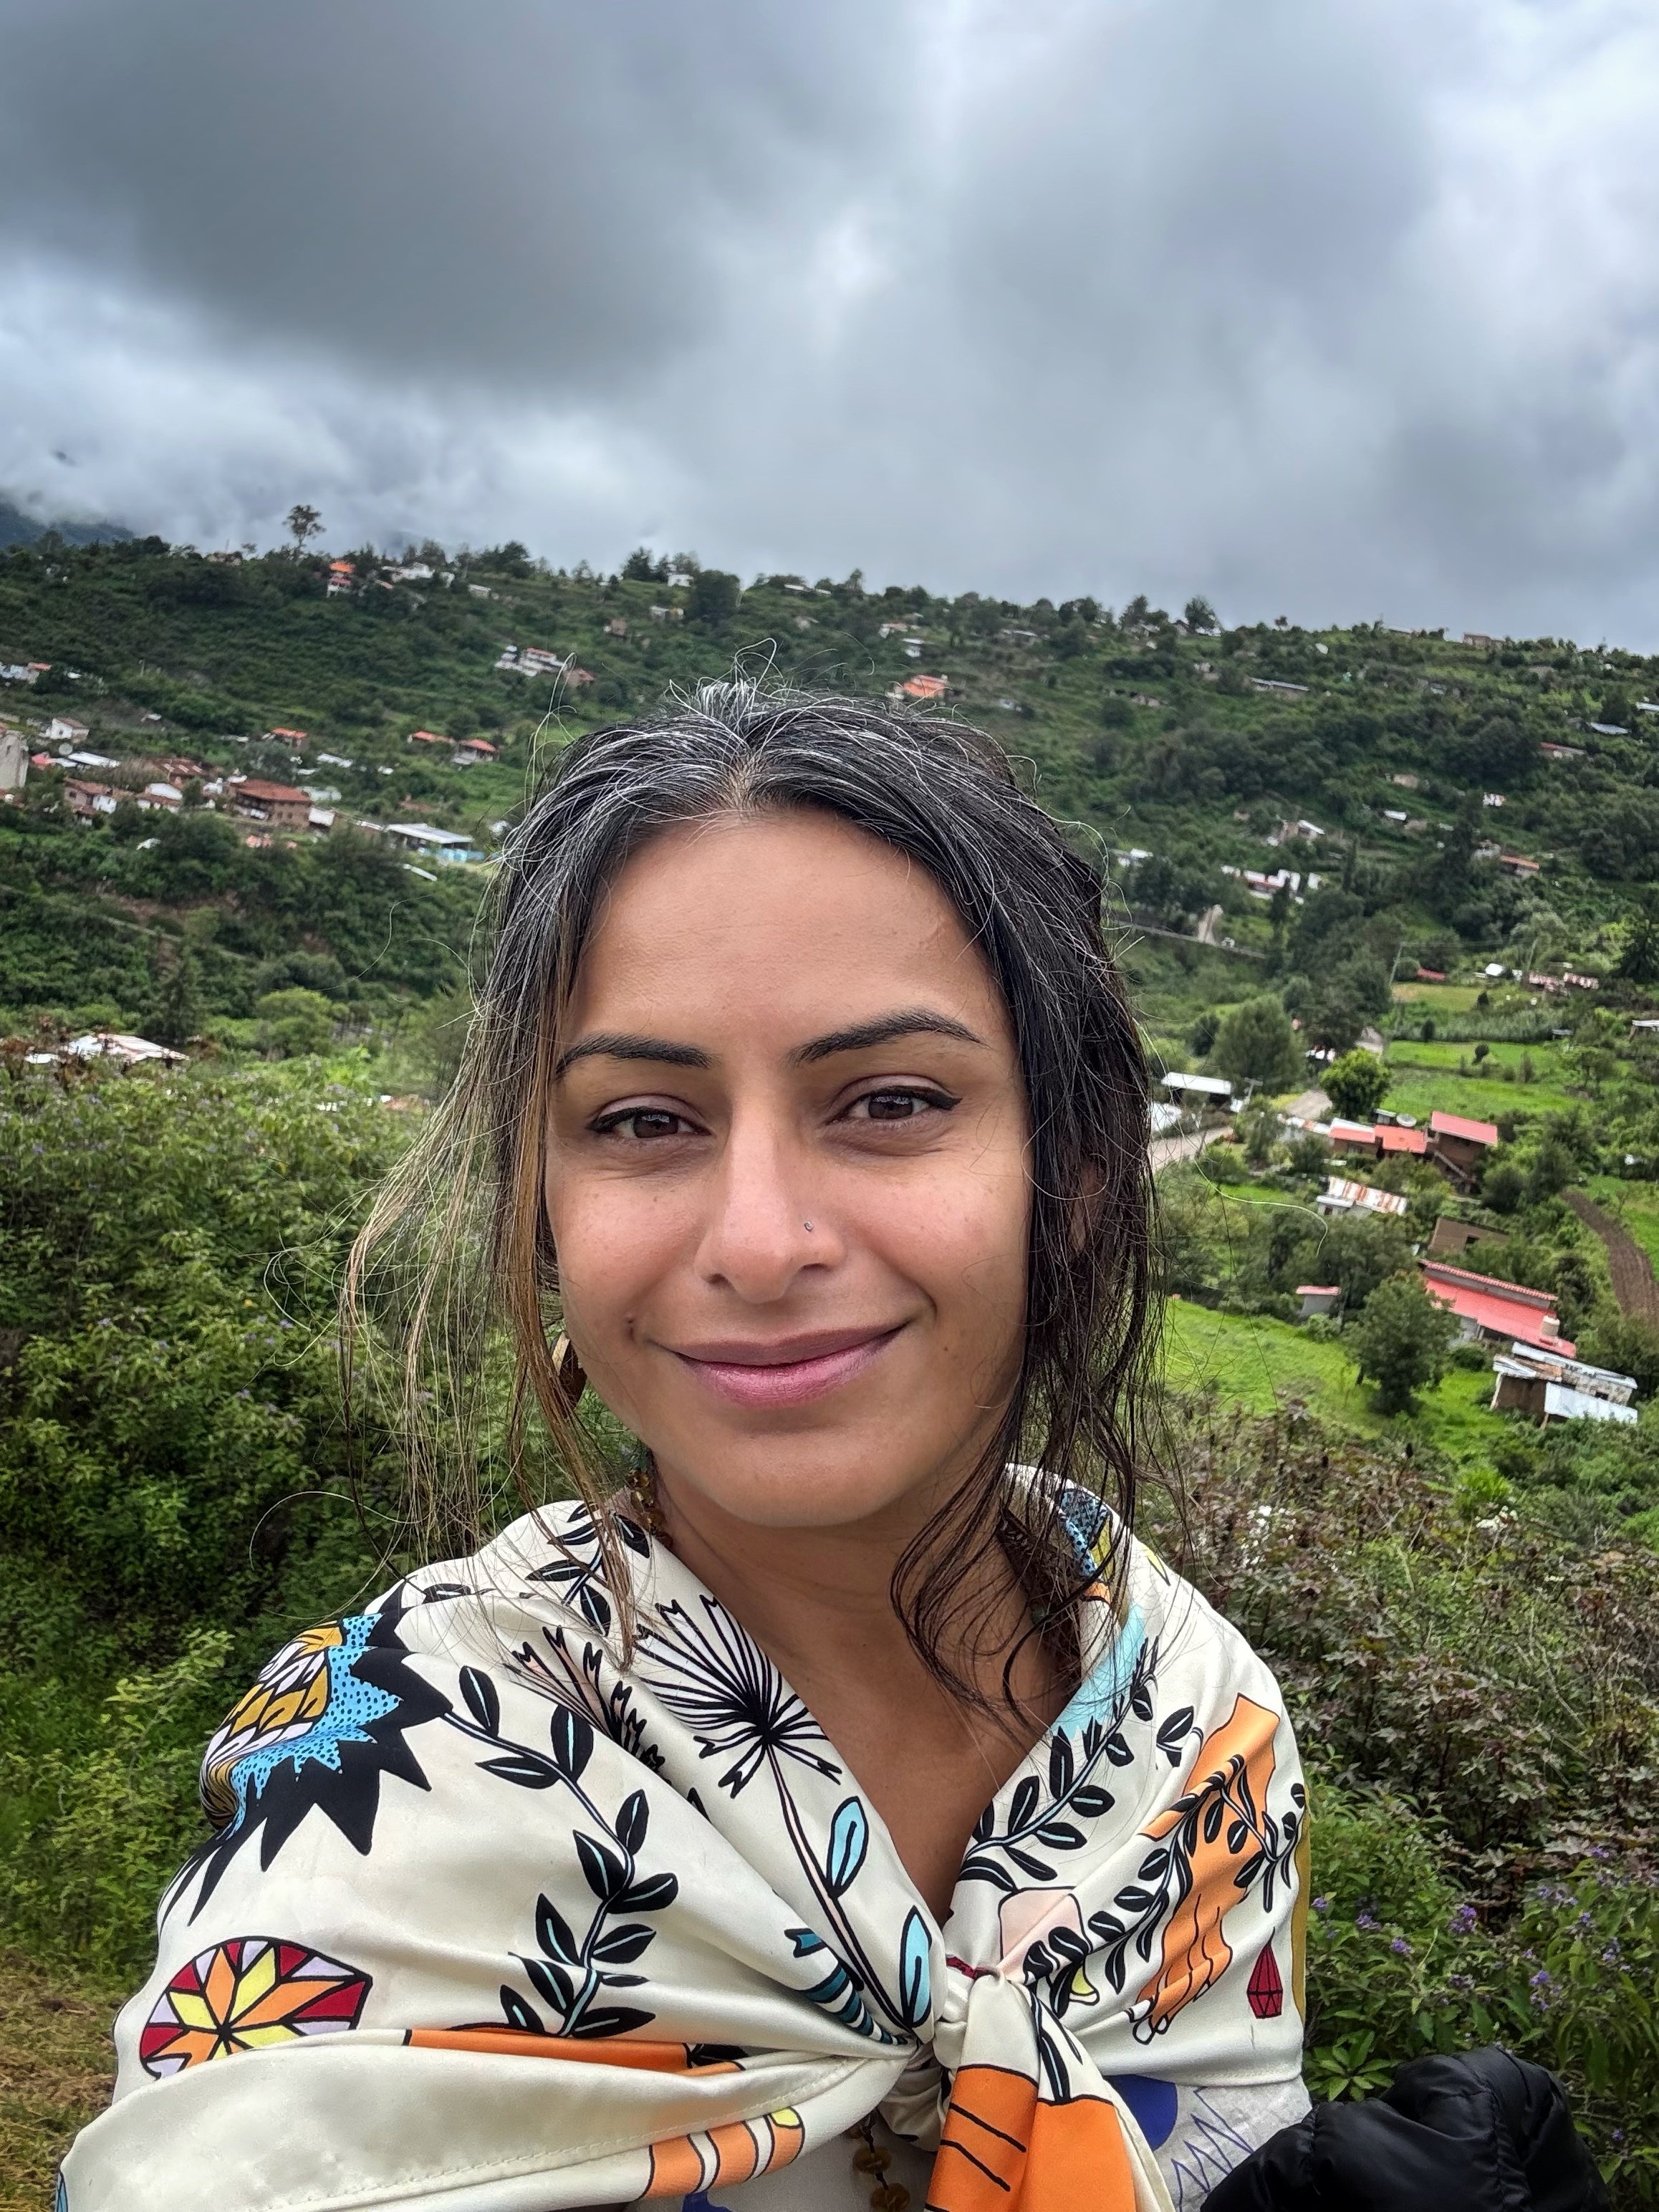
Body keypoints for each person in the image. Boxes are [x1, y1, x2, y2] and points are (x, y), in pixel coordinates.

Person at [62, 683, 1330, 2210]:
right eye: (647, 1121)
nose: (759, 1241)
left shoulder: (1208, 1733)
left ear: (1068, 1170)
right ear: (546, 1206)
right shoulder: (393, 1790)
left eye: (892, 1100)